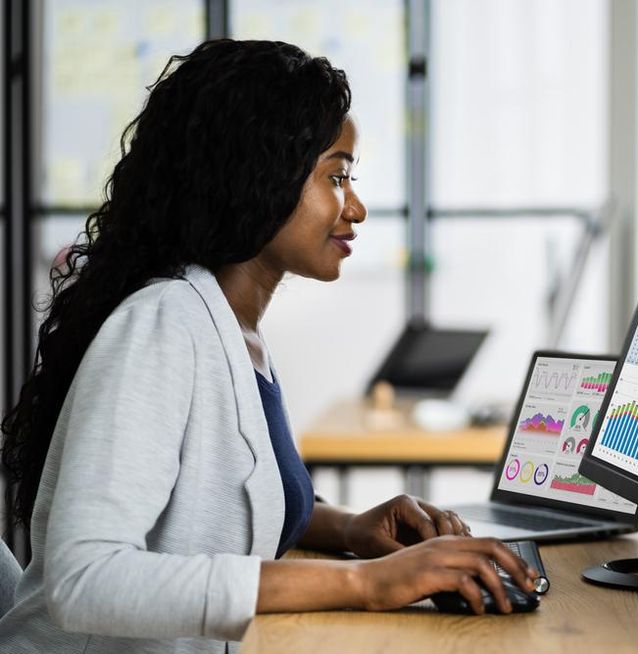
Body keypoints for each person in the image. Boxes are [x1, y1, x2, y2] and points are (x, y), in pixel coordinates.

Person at [0, 39, 537, 653]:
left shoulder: (233, 331)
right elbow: (85, 579)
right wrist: (363, 582)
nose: (355, 207)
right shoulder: (164, 325)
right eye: (336, 176)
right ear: (259, 176)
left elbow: (225, 508)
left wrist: (353, 529)